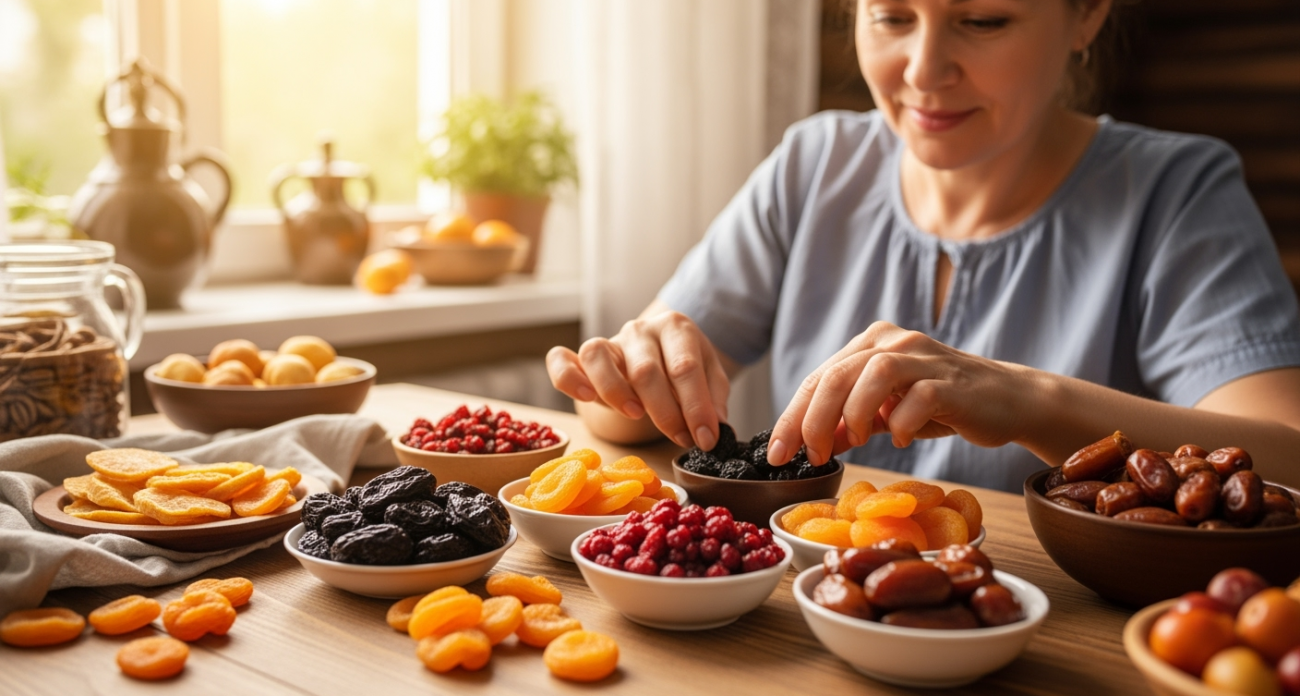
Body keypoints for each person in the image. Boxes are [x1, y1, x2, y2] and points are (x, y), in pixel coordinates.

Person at [546, 0, 1300, 493]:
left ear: (1086, 16)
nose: (923, 70)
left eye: (983, 20)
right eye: (893, 17)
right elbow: (624, 421)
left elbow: (1286, 460)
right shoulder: (813, 165)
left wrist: (1033, 402)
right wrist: (634, 372)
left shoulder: (1177, 191)